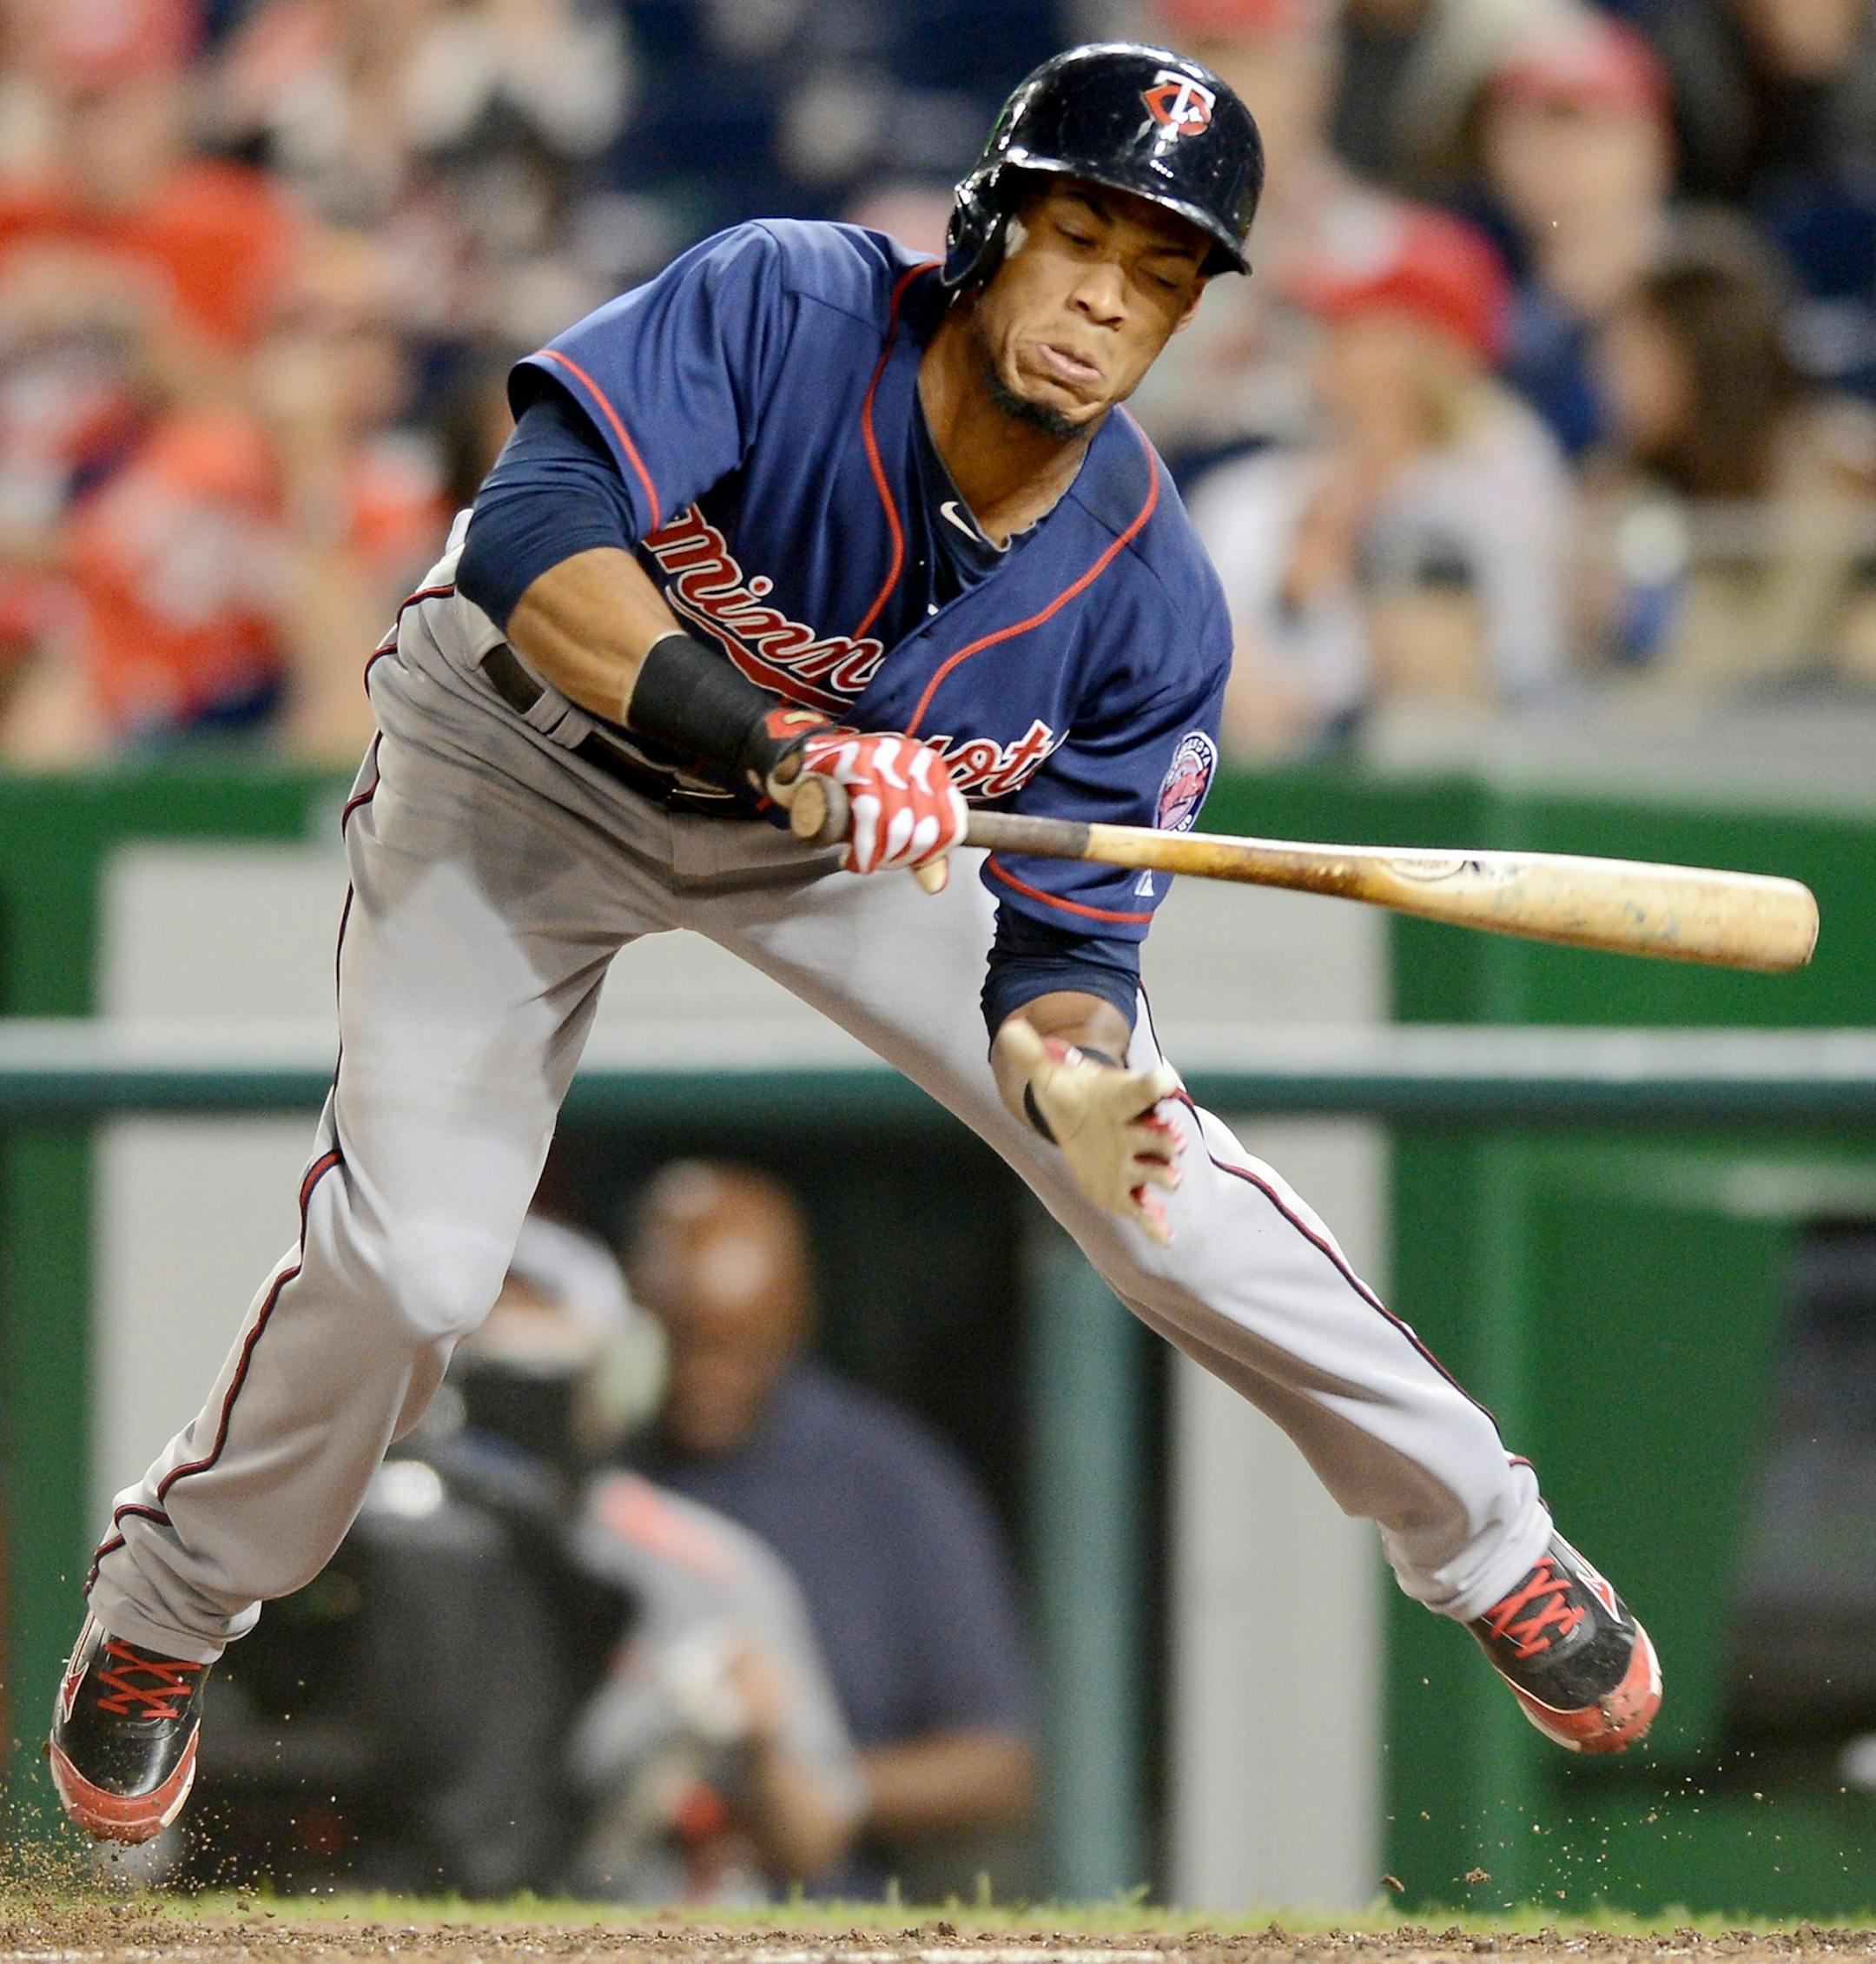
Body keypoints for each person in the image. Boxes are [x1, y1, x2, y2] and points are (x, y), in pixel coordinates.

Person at [49, 40, 1661, 1852]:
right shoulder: (788, 300)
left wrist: (1073, 1076)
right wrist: (784, 740)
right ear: (986, 225)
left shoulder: (1150, 601)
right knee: (421, 1270)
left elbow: (1063, 969)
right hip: (523, 755)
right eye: (1077, 239)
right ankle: (166, 1612)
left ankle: (1496, 1544)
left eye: (1157, 273)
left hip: (830, 851)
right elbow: (532, 530)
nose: (1102, 300)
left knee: (1159, 1181)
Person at [624, 1161, 1036, 1895]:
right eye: (685, 1341)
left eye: (738, 1348)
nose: (706, 1374)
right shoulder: (600, 1467)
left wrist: (813, 1786)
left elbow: (1000, 1762)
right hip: (606, 1880)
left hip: (816, 1901)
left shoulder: (888, 1482)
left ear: (794, 1321)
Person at [1186, 195, 1572, 757]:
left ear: (1419, 347)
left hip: (1441, 788)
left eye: (1353, 324)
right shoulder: (1251, 490)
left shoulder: (1499, 481)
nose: (1323, 340)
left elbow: (1508, 668)